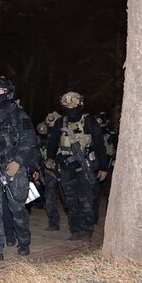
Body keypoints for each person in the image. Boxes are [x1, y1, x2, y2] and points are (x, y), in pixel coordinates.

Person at [0, 76, 40, 261]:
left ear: (9, 93)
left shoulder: (19, 114)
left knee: (17, 207)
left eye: (1, 91)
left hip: (14, 167)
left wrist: (17, 162)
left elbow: (29, 140)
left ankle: (24, 240)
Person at [46, 91, 108, 242]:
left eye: (73, 104)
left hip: (84, 167)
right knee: (70, 201)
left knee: (86, 200)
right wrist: (50, 158)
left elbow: (99, 144)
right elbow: (53, 141)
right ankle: (75, 231)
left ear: (79, 104)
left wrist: (103, 167)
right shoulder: (61, 122)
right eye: (67, 105)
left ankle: (87, 232)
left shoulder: (89, 121)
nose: (71, 107)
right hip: (66, 168)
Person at [38, 112, 64, 231]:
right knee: (49, 199)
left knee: (68, 199)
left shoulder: (65, 135)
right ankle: (54, 223)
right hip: (49, 172)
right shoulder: (42, 139)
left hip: (65, 170)